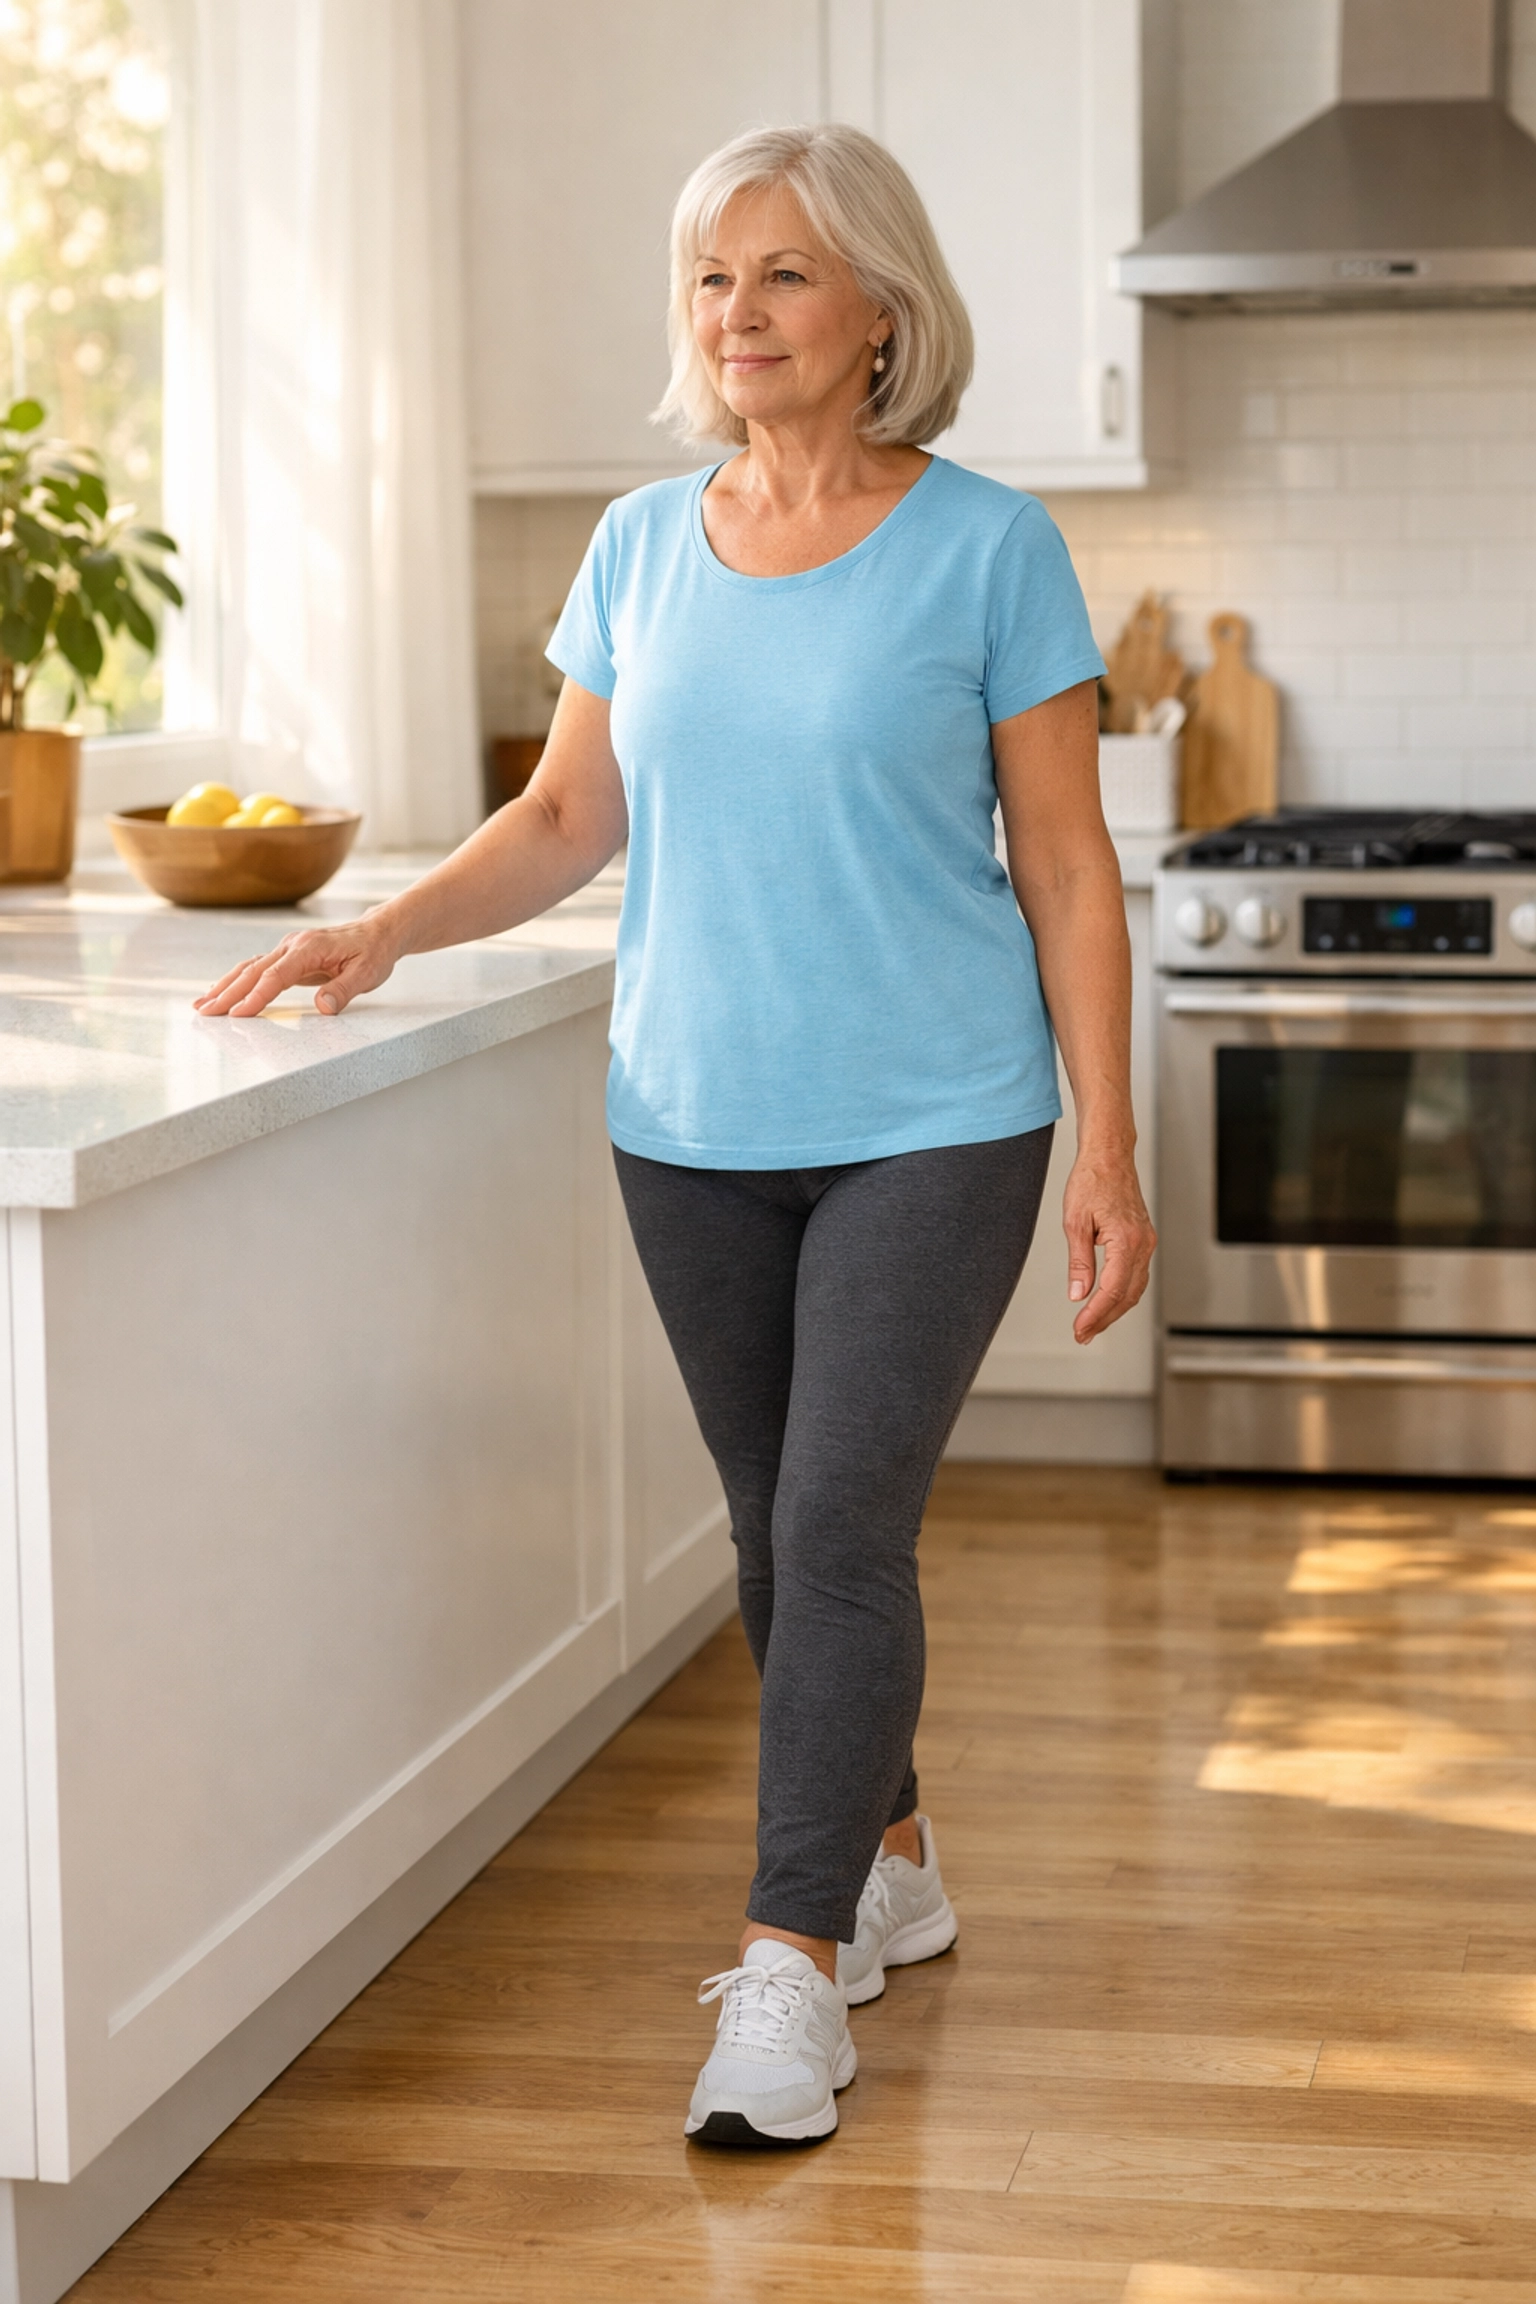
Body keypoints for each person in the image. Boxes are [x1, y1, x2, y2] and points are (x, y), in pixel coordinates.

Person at [196, 122, 1155, 2149]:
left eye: (785, 274)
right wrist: (368, 929)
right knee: (773, 1526)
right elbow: (564, 821)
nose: (740, 315)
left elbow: (1071, 871)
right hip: (692, 1118)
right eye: (714, 278)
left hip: (939, 1117)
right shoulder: (640, 546)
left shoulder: (990, 547)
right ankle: (889, 1850)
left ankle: (791, 1976)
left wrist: (1106, 1143)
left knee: (833, 1525)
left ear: (882, 307)